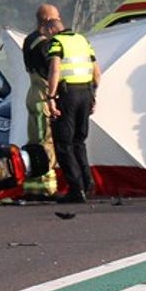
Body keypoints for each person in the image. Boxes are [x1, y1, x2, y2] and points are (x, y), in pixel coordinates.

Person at [45, 16, 101, 204]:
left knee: (63, 143)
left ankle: (76, 190)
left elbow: (54, 70)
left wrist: (51, 97)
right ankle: (87, 182)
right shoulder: (82, 40)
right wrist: (93, 94)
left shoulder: (56, 43)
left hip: (67, 94)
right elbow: (96, 71)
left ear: (51, 29)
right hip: (85, 92)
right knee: (79, 141)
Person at [22, 4, 60, 198]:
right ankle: (46, 187)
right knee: (45, 140)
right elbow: (52, 70)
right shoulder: (44, 44)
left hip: (34, 94)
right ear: (46, 21)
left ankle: (34, 185)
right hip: (42, 96)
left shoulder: (29, 40)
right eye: (56, 19)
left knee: (35, 139)